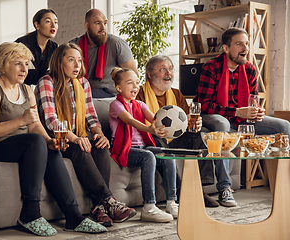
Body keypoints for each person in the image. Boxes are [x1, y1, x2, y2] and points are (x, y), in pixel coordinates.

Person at [0, 42, 106, 237]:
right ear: (3, 65)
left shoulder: (27, 90)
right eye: (18, 63)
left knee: (48, 146)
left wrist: (49, 140)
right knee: (35, 142)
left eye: (26, 64)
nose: (24, 69)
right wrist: (21, 120)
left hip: (27, 144)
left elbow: (35, 125)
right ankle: (30, 212)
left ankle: (73, 215)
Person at [35, 43, 136, 227]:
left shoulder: (82, 83)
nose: (77, 65)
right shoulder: (46, 82)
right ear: (59, 62)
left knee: (101, 145)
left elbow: (90, 115)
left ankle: (100, 208)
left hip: (78, 136)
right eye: (71, 60)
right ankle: (108, 201)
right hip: (55, 141)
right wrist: (75, 138)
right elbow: (51, 120)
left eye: (79, 61)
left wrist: (99, 133)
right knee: (80, 148)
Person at [137, 55, 237, 207]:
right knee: (155, 134)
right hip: (152, 139)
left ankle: (199, 186)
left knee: (198, 134)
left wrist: (194, 124)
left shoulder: (176, 94)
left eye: (170, 69)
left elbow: (186, 121)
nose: (168, 73)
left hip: (174, 140)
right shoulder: (139, 94)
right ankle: (184, 190)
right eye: (163, 69)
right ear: (150, 74)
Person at [109, 67, 178, 222]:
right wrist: (149, 129)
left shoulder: (140, 104)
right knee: (148, 157)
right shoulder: (115, 105)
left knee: (167, 154)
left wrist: (170, 125)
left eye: (136, 82)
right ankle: (149, 207)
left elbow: (156, 119)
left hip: (144, 146)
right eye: (130, 83)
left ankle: (171, 202)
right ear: (119, 88)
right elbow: (130, 120)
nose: (135, 86)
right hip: (125, 149)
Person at [194, 27, 290, 136]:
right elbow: (204, 105)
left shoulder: (250, 69)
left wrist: (257, 111)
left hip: (242, 118)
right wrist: (236, 112)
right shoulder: (211, 67)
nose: (245, 48)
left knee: (284, 125)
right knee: (223, 124)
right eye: (239, 44)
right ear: (226, 48)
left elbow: (253, 99)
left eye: (247, 44)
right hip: (215, 115)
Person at [69, 9, 138, 98]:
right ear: (87, 25)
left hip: (110, 95)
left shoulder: (116, 43)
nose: (103, 27)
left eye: (105, 23)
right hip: (82, 92)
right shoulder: (74, 45)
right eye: (98, 23)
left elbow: (133, 77)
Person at [0, 8, 59, 86]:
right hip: (10, 87)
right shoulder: (22, 44)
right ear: (37, 25)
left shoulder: (54, 48)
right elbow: (4, 67)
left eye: (56, 22)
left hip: (35, 90)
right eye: (48, 21)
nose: (53, 25)